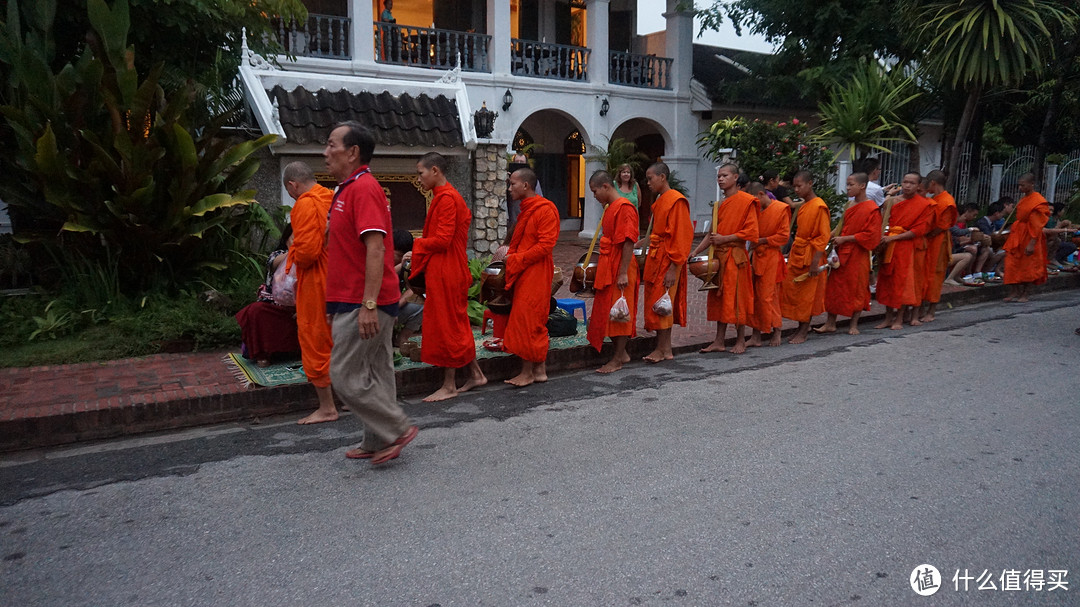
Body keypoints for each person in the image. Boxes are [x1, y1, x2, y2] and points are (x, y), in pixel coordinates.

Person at [323, 121, 417, 466]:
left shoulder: (364, 188)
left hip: (366, 300)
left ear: (352, 152)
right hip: (351, 297)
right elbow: (344, 254)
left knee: (343, 373)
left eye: (332, 145)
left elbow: (376, 250)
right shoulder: (345, 190)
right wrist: (334, 303)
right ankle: (377, 439)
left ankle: (396, 428)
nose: (326, 152)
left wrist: (368, 304)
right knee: (377, 371)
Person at [411, 152, 487, 401]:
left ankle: (449, 385)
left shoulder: (446, 199)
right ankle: (475, 374)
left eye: (421, 173)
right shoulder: (443, 197)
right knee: (455, 324)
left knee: (448, 327)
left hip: (447, 269)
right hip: (447, 268)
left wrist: (416, 245)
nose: (419, 179)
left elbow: (442, 240)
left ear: (435, 171)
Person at [281, 162, 338, 425]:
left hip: (317, 281)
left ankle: (327, 407)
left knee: (316, 338)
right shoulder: (332, 197)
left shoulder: (305, 203)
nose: (292, 196)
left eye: (290, 191)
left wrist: (292, 249)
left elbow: (307, 254)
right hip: (340, 279)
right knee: (338, 341)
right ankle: (345, 399)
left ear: (293, 185)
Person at [692, 163, 759, 354]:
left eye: (725, 175)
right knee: (719, 298)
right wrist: (696, 252)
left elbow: (751, 232)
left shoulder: (747, 201)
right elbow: (712, 233)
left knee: (737, 299)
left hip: (735, 257)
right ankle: (719, 341)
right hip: (719, 258)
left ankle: (740, 341)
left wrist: (725, 238)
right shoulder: (719, 205)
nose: (720, 179)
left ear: (736, 178)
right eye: (719, 176)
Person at [503, 167, 559, 387]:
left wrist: (516, 259)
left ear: (525, 185)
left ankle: (527, 372)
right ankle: (539, 370)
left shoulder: (545, 209)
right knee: (531, 319)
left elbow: (545, 246)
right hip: (526, 270)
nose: (510, 189)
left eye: (512, 184)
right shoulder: (527, 209)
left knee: (529, 320)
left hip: (536, 271)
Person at [585, 170, 639, 373]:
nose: (594, 196)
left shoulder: (624, 207)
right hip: (611, 263)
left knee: (620, 311)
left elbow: (628, 241)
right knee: (610, 310)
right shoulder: (611, 207)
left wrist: (623, 272)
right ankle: (621, 353)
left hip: (621, 265)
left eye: (595, 191)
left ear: (606, 186)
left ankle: (617, 359)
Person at [640, 162, 693, 363]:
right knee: (661, 303)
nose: (648, 183)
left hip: (668, 260)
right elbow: (658, 232)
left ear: (662, 177)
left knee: (662, 303)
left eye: (650, 178)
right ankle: (665, 348)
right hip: (657, 256)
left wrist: (674, 267)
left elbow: (681, 236)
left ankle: (662, 349)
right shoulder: (661, 200)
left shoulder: (676, 200)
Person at [816, 173, 881, 335]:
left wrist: (847, 239)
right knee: (834, 288)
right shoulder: (849, 206)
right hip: (841, 254)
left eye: (851, 184)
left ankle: (854, 324)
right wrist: (825, 238)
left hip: (858, 254)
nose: (848, 188)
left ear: (862, 186)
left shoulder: (871, 208)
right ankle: (830, 323)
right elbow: (840, 227)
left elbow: (872, 235)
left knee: (857, 288)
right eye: (847, 185)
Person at [874, 172, 934, 330]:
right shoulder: (892, 201)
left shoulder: (924, 205)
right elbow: (883, 222)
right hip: (888, 246)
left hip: (906, 247)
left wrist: (893, 239)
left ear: (918, 186)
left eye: (912, 183)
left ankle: (899, 318)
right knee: (887, 281)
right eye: (905, 182)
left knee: (902, 282)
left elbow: (919, 229)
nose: (907, 185)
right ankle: (888, 318)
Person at [235, 226, 300, 366]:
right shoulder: (277, 255)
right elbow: (275, 263)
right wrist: (297, 249)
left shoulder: (315, 257)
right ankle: (262, 354)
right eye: (295, 236)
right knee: (256, 311)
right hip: (277, 309)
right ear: (286, 238)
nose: (299, 239)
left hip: (303, 309)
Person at [780, 171, 830, 344]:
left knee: (807, 297)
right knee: (795, 293)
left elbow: (822, 238)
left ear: (810, 183)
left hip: (811, 257)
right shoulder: (805, 205)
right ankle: (799, 327)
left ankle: (804, 331)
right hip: (799, 254)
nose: (796, 189)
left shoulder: (819, 206)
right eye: (794, 186)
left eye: (799, 186)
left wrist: (815, 262)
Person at [745, 181, 789, 347]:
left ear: (761, 195)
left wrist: (762, 240)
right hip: (756, 257)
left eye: (755, 200)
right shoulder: (755, 211)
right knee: (755, 297)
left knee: (769, 297)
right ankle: (756, 335)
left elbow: (783, 237)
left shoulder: (780, 209)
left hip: (771, 258)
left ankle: (777, 330)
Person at [1003, 173, 1051, 303]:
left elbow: (1037, 225)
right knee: (1011, 262)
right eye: (1019, 185)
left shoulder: (1038, 201)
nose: (1020, 188)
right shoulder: (1024, 198)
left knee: (1028, 265)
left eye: (1023, 185)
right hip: (1018, 233)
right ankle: (1014, 291)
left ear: (1031, 184)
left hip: (1030, 235)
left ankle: (1025, 293)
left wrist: (1032, 243)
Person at [918, 169, 958, 323]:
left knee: (935, 275)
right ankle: (919, 308)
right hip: (928, 241)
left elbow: (942, 226)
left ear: (933, 183)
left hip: (938, 242)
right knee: (923, 274)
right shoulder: (935, 198)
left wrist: (926, 234)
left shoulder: (947, 201)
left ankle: (931, 311)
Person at [392, 230, 423, 348]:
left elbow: (413, 290)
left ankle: (402, 338)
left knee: (421, 302)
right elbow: (381, 279)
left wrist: (396, 306)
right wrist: (401, 265)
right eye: (398, 255)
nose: (400, 258)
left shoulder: (408, 263)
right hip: (376, 309)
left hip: (394, 310)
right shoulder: (378, 257)